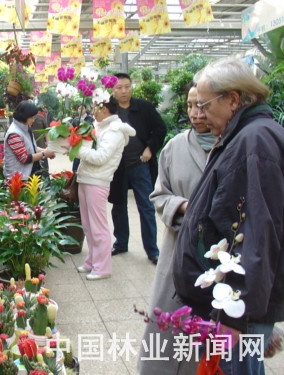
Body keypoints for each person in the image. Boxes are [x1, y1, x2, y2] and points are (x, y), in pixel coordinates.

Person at [173, 58, 284, 373]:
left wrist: (237, 316)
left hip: (235, 311)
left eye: (205, 105)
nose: (200, 115)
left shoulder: (255, 141)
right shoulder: (244, 136)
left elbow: (258, 233)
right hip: (232, 307)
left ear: (233, 99)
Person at [137, 85, 217, 375]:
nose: (195, 114)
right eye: (189, 105)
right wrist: (185, 207)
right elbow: (158, 195)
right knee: (169, 322)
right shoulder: (174, 147)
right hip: (178, 249)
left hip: (219, 255)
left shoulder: (233, 146)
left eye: (202, 105)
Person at [109, 73, 167, 265]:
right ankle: (121, 242)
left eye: (127, 86)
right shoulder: (108, 109)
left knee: (146, 207)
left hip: (140, 165)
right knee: (118, 206)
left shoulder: (143, 107)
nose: (123, 91)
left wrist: (150, 148)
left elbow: (160, 128)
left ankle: (152, 250)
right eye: (119, 87)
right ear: (113, 89)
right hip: (117, 167)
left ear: (131, 87)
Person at [76, 95, 136, 281]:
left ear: (105, 109)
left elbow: (101, 157)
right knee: (87, 225)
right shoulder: (100, 127)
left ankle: (102, 267)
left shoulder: (115, 130)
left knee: (97, 226)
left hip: (97, 181)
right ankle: (92, 261)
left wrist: (80, 149)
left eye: (96, 107)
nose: (93, 110)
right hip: (86, 178)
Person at [3, 101, 55, 180]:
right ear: (24, 116)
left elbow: (31, 148)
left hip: (27, 175)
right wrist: (44, 153)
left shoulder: (24, 128)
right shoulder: (14, 134)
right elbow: (24, 158)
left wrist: (46, 151)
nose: (33, 120)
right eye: (32, 117)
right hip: (18, 179)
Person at [71, 104, 95, 172]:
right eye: (79, 108)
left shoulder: (90, 119)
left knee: (86, 160)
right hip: (77, 142)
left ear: (85, 109)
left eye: (82, 108)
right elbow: (72, 131)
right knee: (76, 161)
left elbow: (94, 130)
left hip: (88, 143)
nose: (81, 110)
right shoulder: (75, 120)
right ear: (77, 110)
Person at [31, 107, 50, 179]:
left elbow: (46, 131)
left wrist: (48, 143)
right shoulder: (26, 119)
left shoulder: (41, 118)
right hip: (32, 146)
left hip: (41, 145)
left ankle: (47, 183)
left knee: (44, 167)